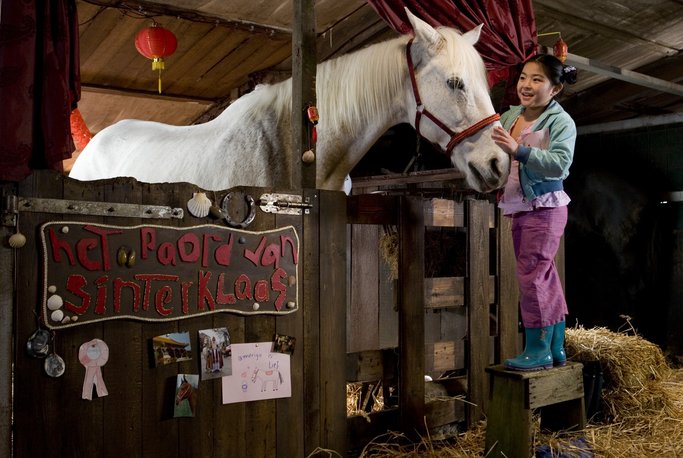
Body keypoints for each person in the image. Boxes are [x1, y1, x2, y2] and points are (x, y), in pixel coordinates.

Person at [491, 54, 578, 371]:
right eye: (523, 77)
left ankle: (538, 349)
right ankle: (555, 346)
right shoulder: (511, 114)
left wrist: (519, 150)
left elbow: (560, 164)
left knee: (531, 275)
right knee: (543, 273)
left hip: (545, 207)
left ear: (555, 89)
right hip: (521, 206)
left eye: (537, 80)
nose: (526, 85)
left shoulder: (561, 122)